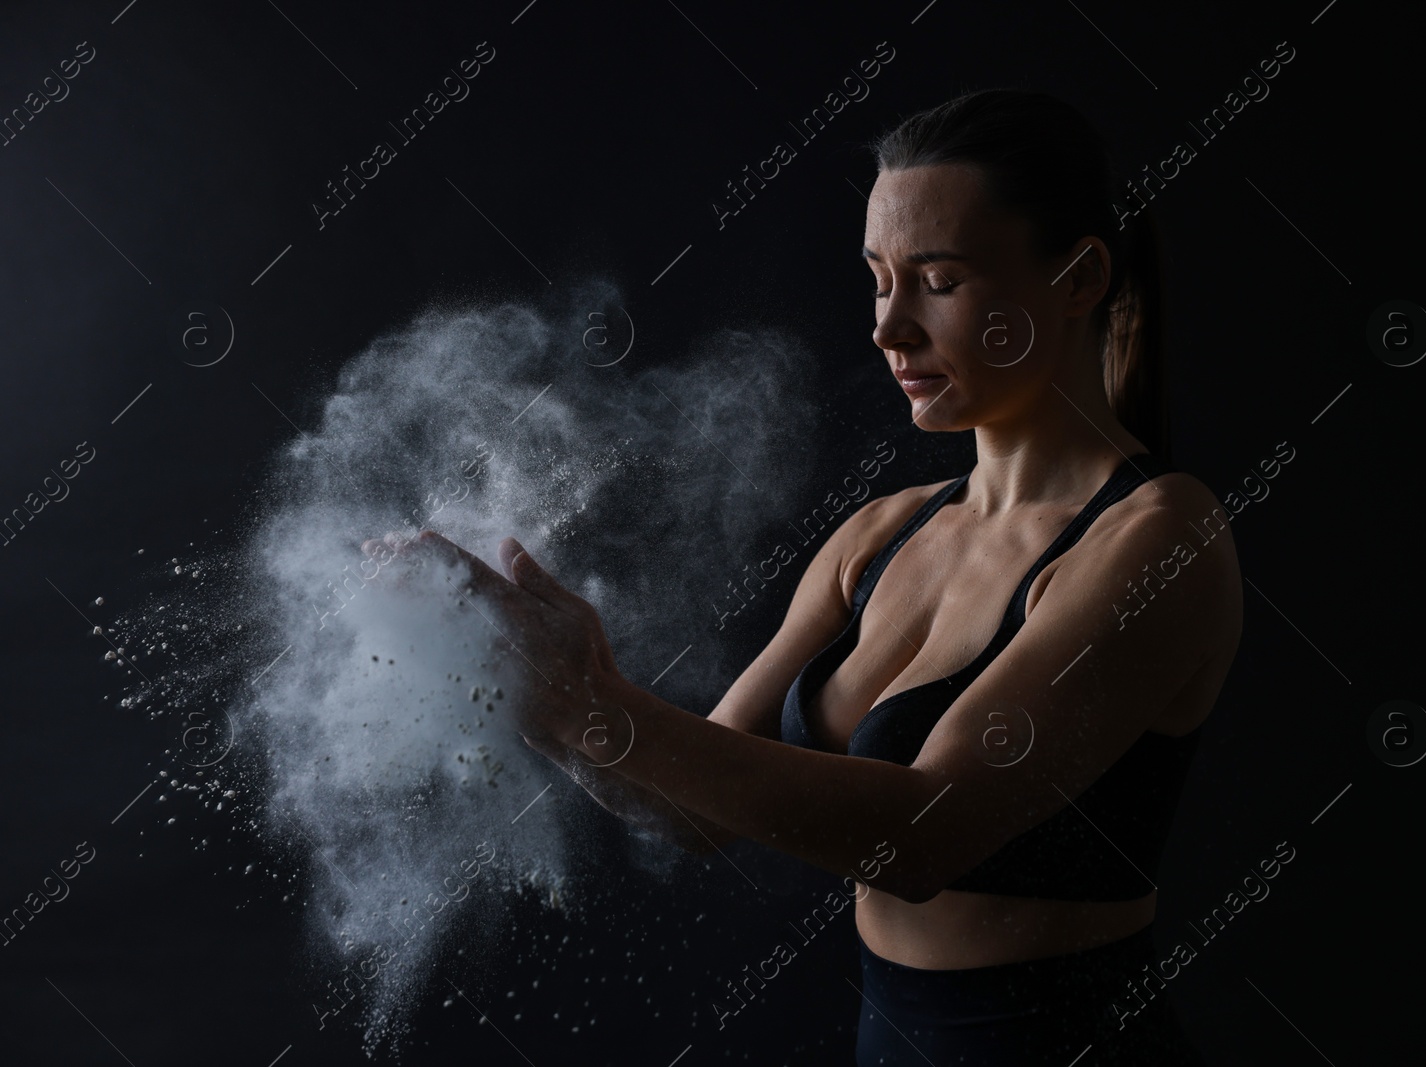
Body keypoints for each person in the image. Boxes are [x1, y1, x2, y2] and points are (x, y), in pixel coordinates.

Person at [390, 87, 1241, 1065]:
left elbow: (923, 836)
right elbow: (694, 810)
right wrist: (539, 693)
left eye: (939, 280)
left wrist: (593, 700)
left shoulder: (1159, 537)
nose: (889, 328)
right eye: (879, 279)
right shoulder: (881, 533)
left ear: (1082, 275)